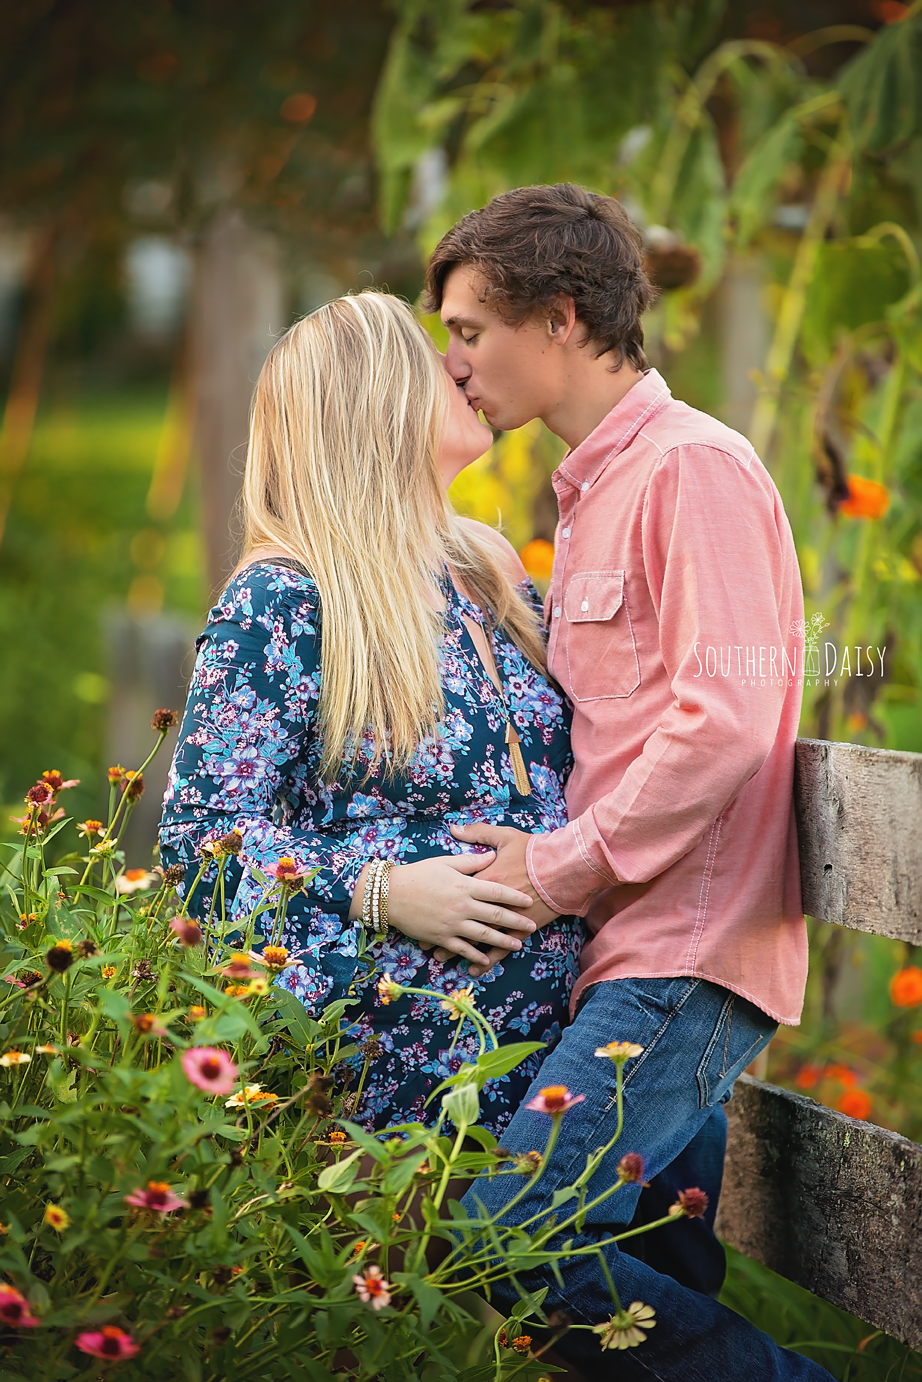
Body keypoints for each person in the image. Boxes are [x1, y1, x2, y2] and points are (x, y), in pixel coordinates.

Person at [425, 184, 833, 1379]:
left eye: (466, 330)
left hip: (683, 953)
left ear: (558, 317)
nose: (453, 364)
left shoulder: (689, 470)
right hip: (628, 947)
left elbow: (724, 722)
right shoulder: (593, 487)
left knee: (507, 1238)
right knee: (654, 1277)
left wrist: (551, 870)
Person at [159, 291, 580, 1134]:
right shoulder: (286, 597)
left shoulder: (488, 567)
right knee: (508, 1270)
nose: (461, 367)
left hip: (560, 1052)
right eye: (436, 357)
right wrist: (379, 890)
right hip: (395, 1084)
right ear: (379, 404)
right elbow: (200, 844)